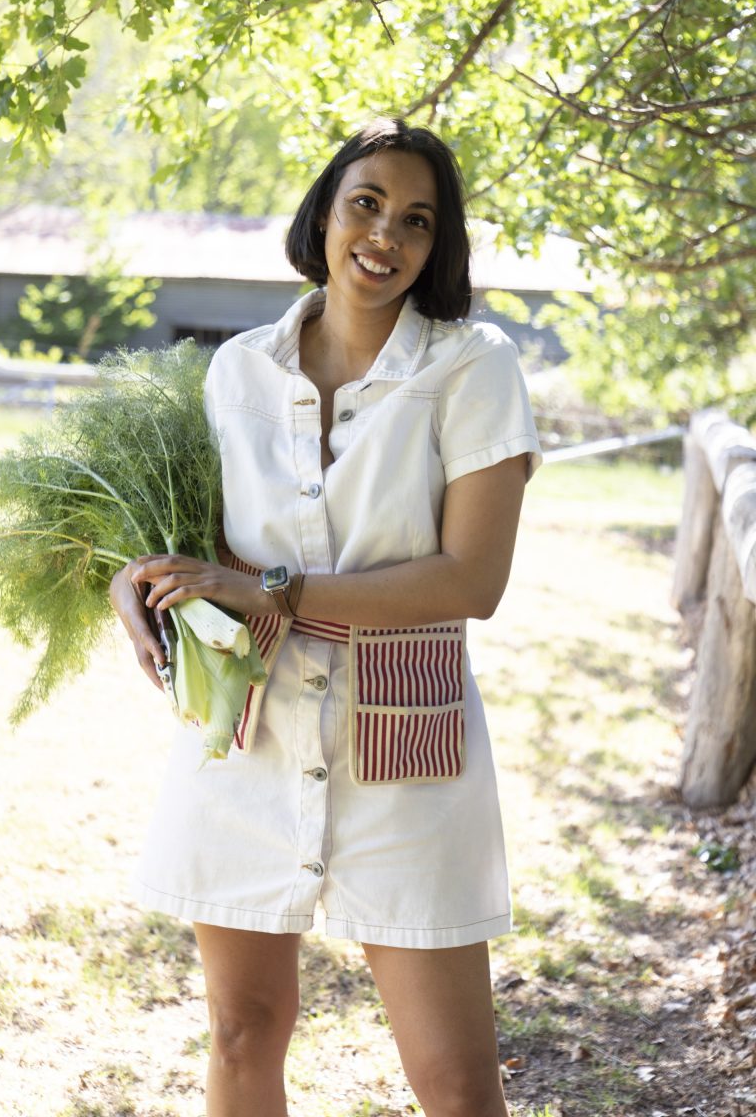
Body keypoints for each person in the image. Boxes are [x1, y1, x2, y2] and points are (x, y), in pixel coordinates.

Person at [110, 116, 542, 1117]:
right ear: (323, 214)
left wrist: (275, 594)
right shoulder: (237, 371)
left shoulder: (470, 367)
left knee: (453, 1081)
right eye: (367, 203)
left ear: (437, 249)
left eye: (416, 220)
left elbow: (470, 581)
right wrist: (136, 579)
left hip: (405, 747)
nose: (385, 233)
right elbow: (208, 551)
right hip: (247, 739)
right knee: (239, 1035)